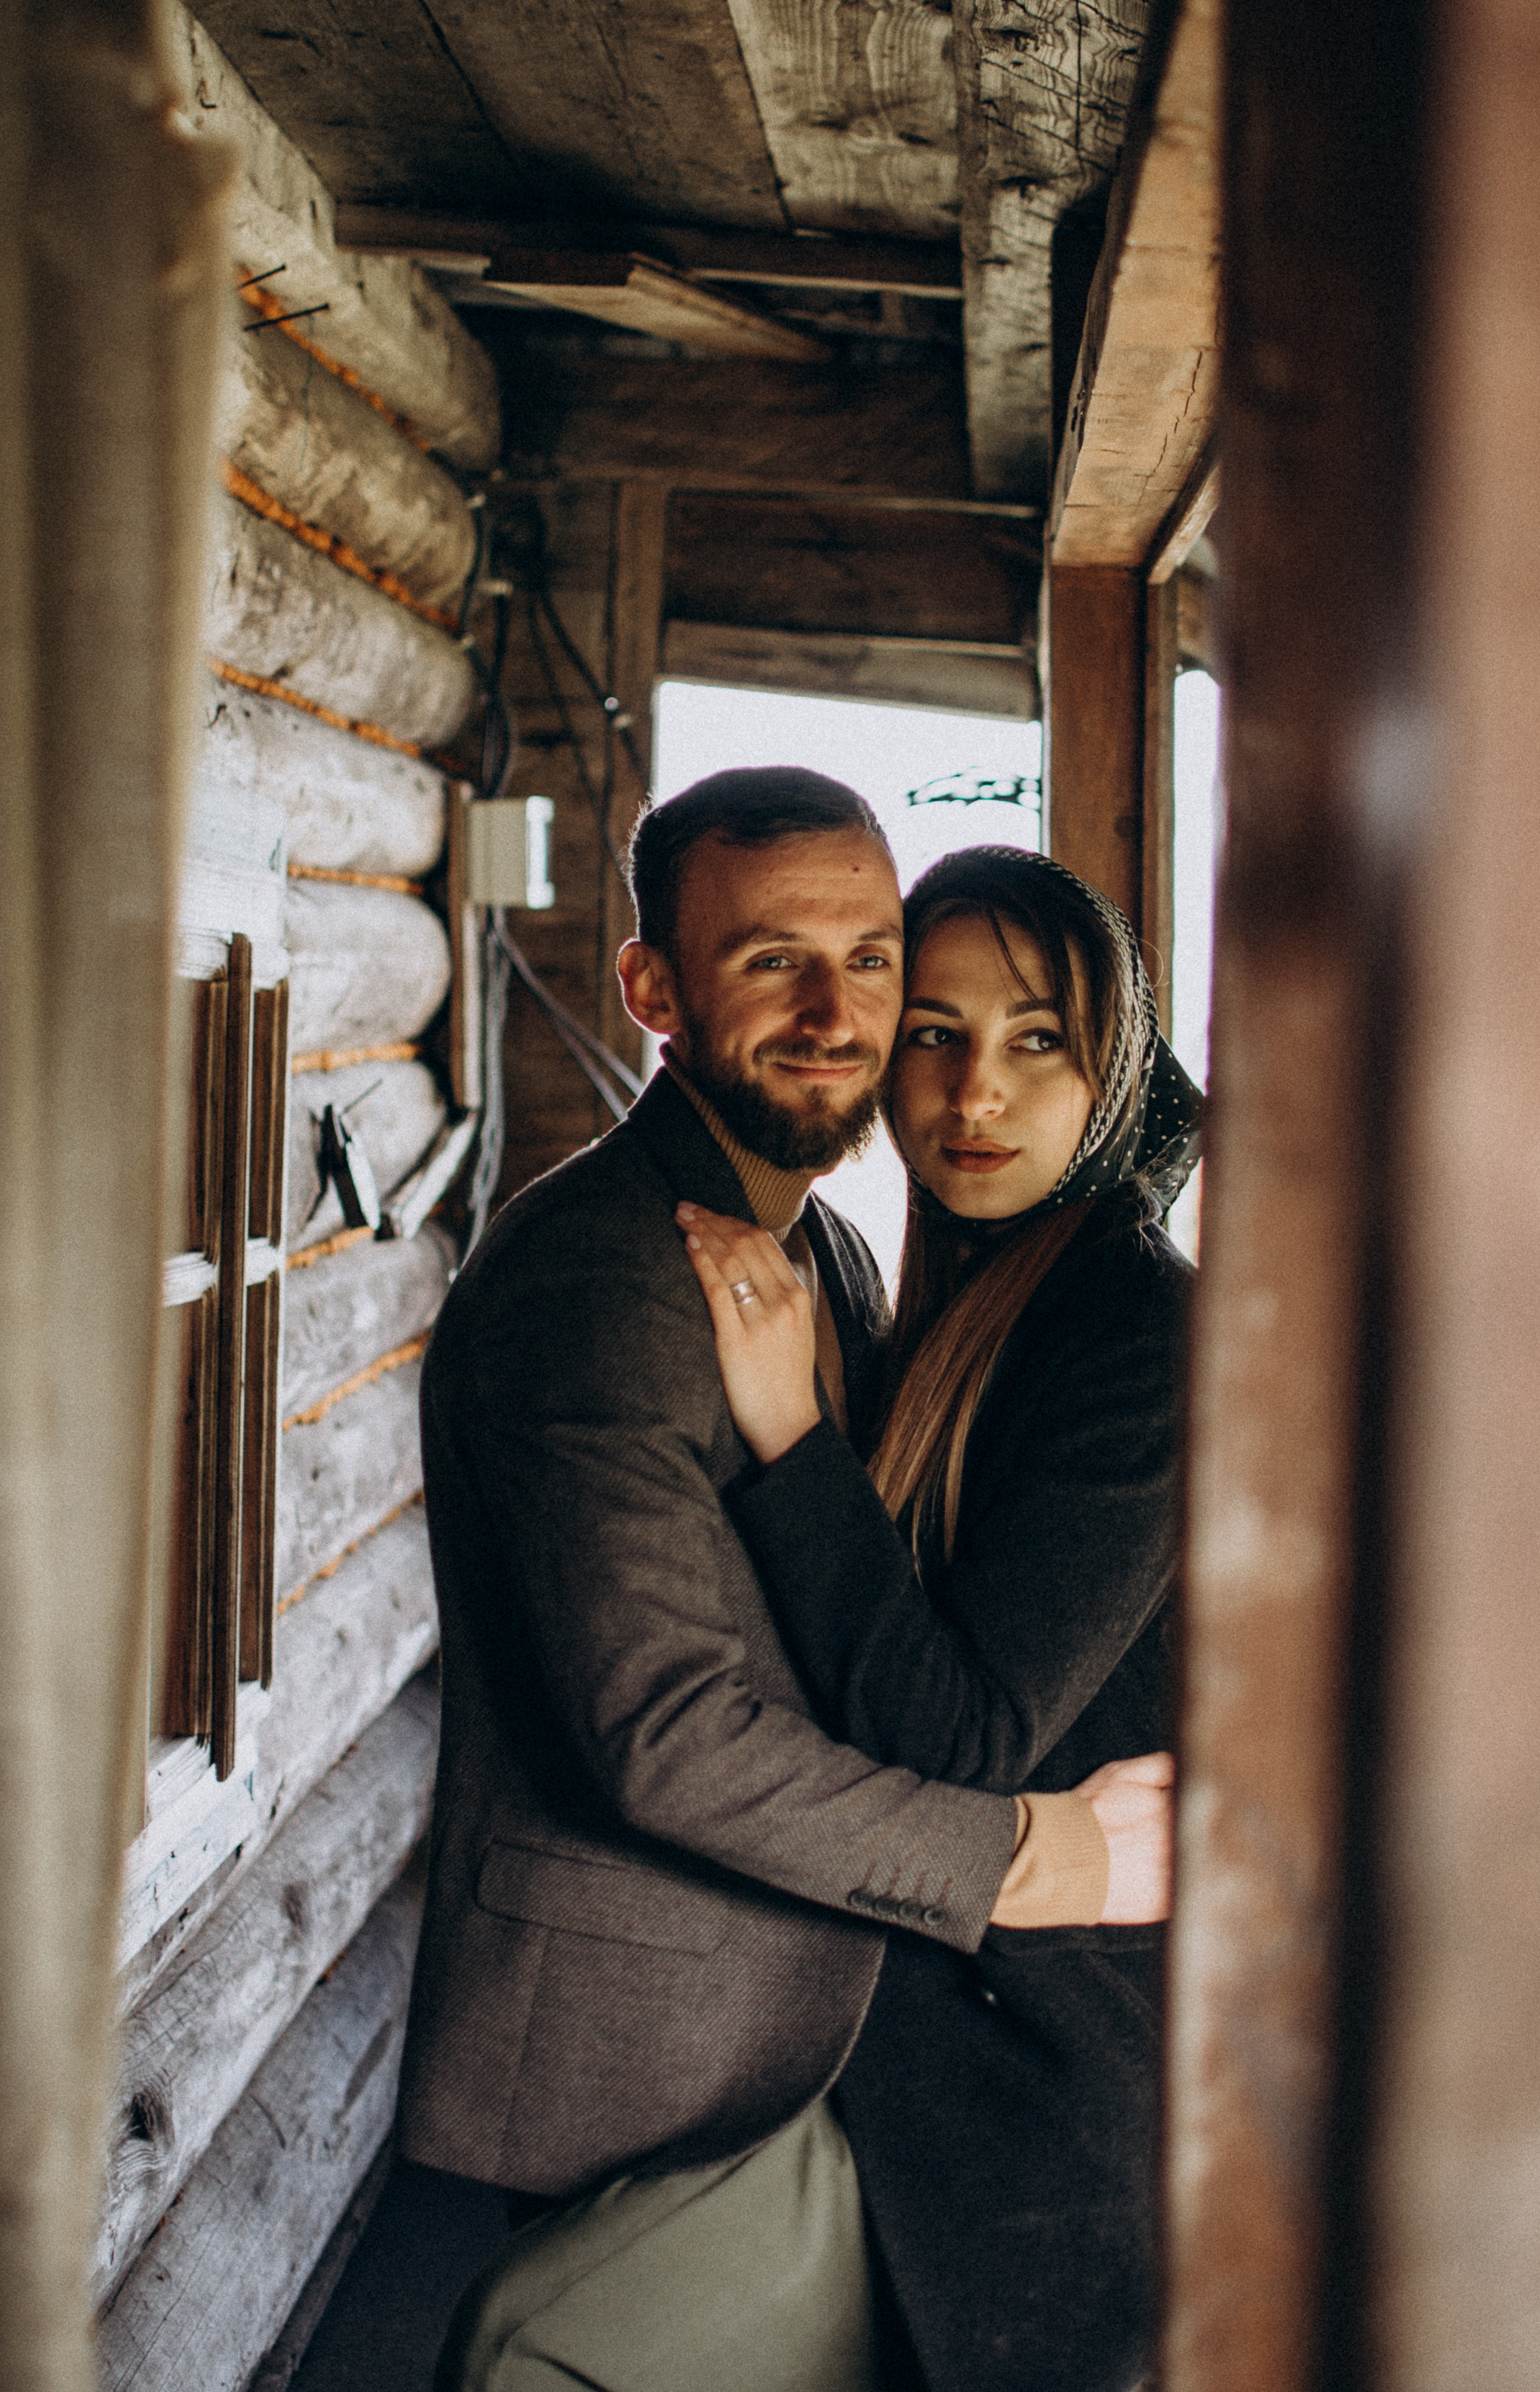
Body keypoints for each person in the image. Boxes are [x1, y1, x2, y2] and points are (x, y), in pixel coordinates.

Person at [399, 777, 1175, 2392]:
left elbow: (902, 1646)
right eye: (772, 960)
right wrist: (1026, 1860)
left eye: (869, 959)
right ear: (654, 990)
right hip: (614, 2064)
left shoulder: (830, 1261)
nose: (841, 1016)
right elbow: (672, 1736)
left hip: (845, 2066)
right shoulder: (608, 1280)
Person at [673, 845, 1201, 2392]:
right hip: (959, 2035)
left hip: (1047, 2080)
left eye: (1039, 1039)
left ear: (1109, 1071)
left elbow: (960, 1732)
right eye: (938, 1034)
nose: (978, 1089)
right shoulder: (968, 1307)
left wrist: (791, 1442)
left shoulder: (1130, 1323)